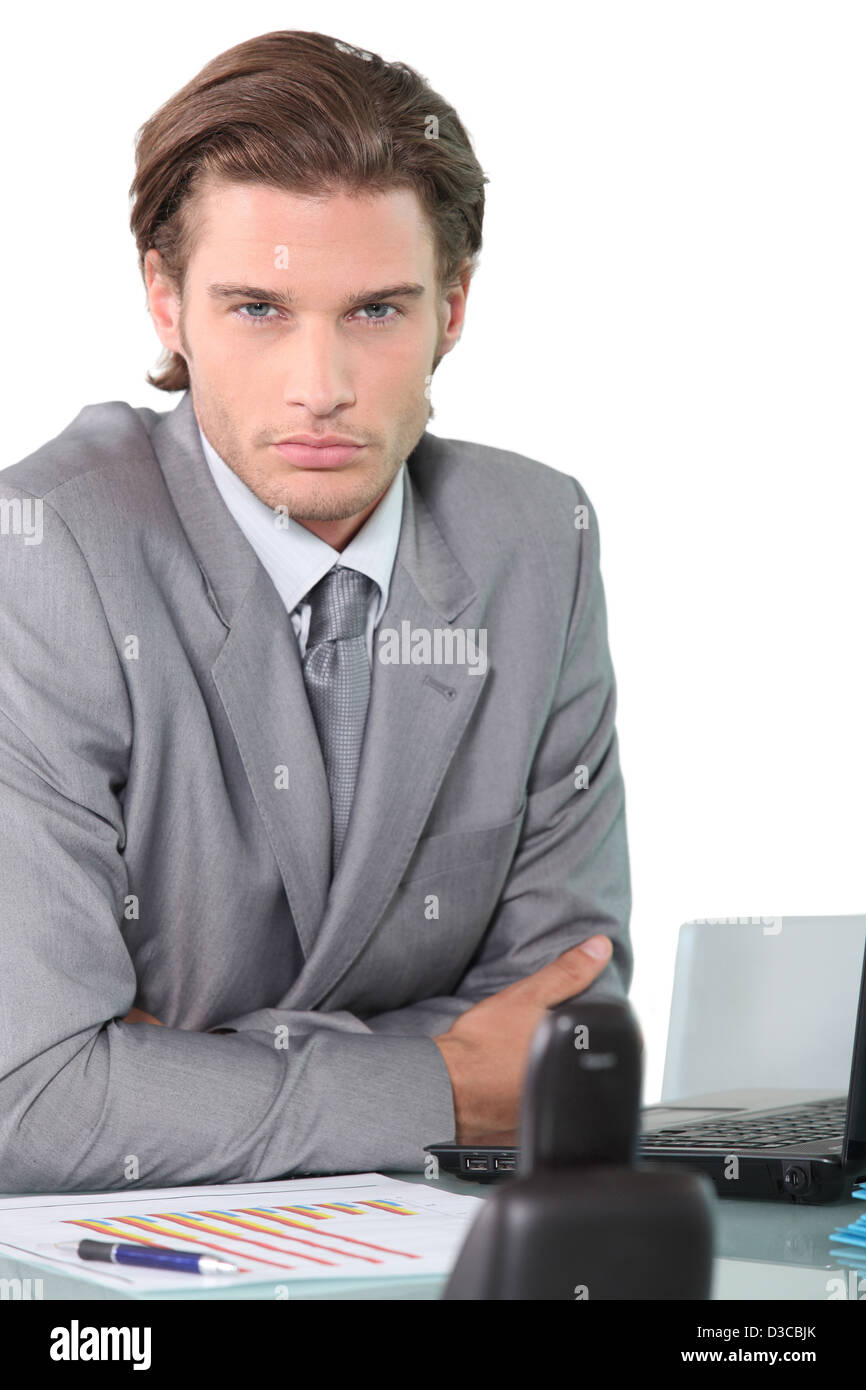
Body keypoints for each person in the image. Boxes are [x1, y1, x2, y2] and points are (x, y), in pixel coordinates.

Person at [0, 30, 631, 1192]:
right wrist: (438, 1081)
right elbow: (31, 1103)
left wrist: (177, 1066)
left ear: (452, 308)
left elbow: (563, 1028)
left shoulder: (537, 541)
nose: (319, 386)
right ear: (165, 304)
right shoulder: (38, 562)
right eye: (256, 308)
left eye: (375, 312)